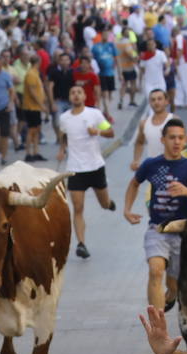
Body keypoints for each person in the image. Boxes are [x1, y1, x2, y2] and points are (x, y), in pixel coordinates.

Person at [123, 119, 187, 311]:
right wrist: (127, 210)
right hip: (157, 228)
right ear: (163, 140)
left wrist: (186, 191)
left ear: (185, 140)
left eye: (180, 138)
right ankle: (157, 324)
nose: (176, 142)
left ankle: (170, 294)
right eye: (172, 138)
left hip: (182, 230)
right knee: (155, 271)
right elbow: (134, 183)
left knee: (175, 283)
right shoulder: (151, 164)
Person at [59, 85, 118, 259]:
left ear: (85, 96)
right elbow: (63, 135)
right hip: (75, 168)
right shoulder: (64, 118)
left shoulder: (95, 114)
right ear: (70, 97)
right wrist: (62, 149)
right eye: (73, 93)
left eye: (79, 92)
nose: (76, 95)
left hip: (95, 166)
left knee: (104, 203)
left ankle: (109, 204)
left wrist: (97, 131)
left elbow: (111, 132)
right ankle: (81, 244)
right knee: (78, 207)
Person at [131, 88, 174, 171]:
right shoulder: (144, 123)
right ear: (150, 103)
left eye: (159, 99)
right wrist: (136, 160)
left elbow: (183, 144)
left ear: (166, 102)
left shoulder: (173, 120)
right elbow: (139, 142)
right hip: (153, 169)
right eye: (153, 100)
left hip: (172, 168)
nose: (156, 102)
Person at [18, 51, 47, 162]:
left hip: (36, 107)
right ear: (38, 62)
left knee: (36, 129)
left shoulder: (35, 73)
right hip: (31, 107)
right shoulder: (31, 74)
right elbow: (32, 91)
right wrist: (42, 105)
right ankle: (28, 153)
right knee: (32, 130)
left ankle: (36, 151)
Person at [91, 28, 119, 113]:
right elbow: (92, 60)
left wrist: (119, 72)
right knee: (105, 93)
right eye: (104, 34)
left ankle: (106, 110)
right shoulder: (96, 47)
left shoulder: (111, 45)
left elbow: (116, 58)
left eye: (107, 34)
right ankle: (107, 112)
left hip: (110, 73)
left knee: (109, 95)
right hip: (101, 74)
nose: (105, 36)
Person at [138, 38, 170, 106]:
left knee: (161, 103)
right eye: (149, 45)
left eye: (152, 44)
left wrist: (167, 70)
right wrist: (140, 83)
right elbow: (141, 70)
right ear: (147, 46)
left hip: (160, 82)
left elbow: (166, 64)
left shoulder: (161, 54)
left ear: (155, 45)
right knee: (151, 103)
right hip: (149, 83)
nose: (151, 46)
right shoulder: (144, 56)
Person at [116, 26, 141, 109]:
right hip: (129, 66)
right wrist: (136, 59)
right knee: (133, 83)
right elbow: (130, 53)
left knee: (124, 85)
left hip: (121, 66)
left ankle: (120, 100)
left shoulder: (118, 42)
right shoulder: (127, 42)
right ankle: (132, 101)